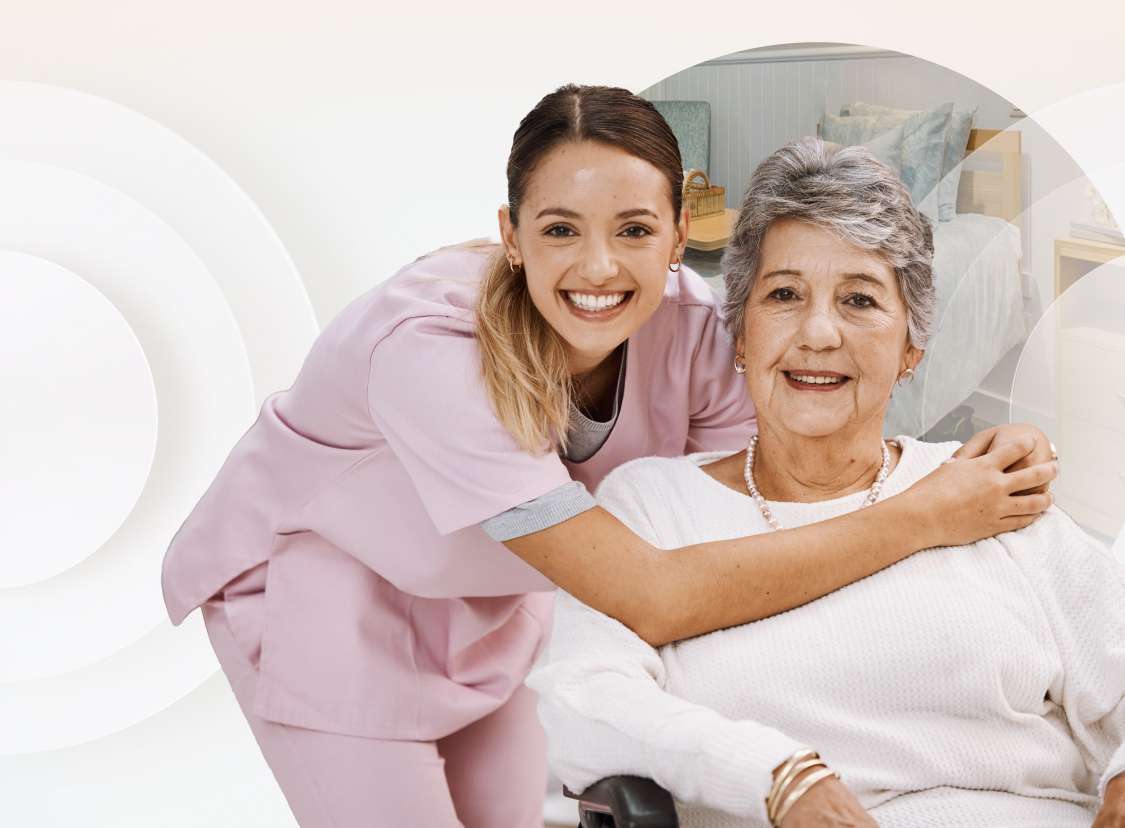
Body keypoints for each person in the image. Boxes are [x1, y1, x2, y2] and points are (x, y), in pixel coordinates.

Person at [160, 86, 1058, 828]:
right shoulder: (429, 350)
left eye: (633, 230)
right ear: (510, 235)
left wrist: (979, 459)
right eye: (560, 230)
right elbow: (655, 591)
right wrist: (928, 512)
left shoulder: (700, 327)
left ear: (681, 231)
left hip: (501, 603)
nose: (598, 268)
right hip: (332, 592)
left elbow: (791, 469)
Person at [527, 137, 1125, 828]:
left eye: (859, 300)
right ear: (740, 334)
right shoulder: (653, 508)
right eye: (783, 295)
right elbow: (578, 699)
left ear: (910, 346)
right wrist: (775, 776)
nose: (817, 332)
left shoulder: (986, 490)